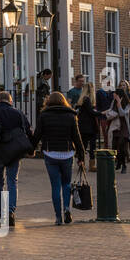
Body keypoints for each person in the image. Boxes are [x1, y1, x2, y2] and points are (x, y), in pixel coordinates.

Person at [0, 90, 35, 228]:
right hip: (14, 152)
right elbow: (28, 131)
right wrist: (31, 150)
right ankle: (10, 212)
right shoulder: (18, 113)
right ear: (10, 101)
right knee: (12, 182)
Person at [34, 92, 86, 225]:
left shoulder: (44, 115)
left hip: (50, 153)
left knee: (55, 185)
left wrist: (30, 149)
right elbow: (77, 137)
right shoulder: (71, 115)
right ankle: (67, 209)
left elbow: (37, 135)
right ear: (64, 102)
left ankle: (58, 217)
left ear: (48, 101)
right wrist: (81, 156)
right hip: (67, 154)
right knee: (66, 184)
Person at [105, 85, 130, 174]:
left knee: (122, 146)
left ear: (119, 95)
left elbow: (122, 114)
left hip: (124, 127)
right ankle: (118, 163)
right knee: (115, 146)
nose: (114, 95)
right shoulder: (113, 102)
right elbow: (110, 110)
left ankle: (124, 165)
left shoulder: (128, 104)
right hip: (116, 127)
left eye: (115, 94)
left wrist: (119, 104)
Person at [76, 84, 100, 164]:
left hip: (83, 126)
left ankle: (81, 162)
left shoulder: (82, 99)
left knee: (84, 145)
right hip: (89, 126)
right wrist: (102, 113)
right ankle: (90, 163)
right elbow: (91, 112)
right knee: (91, 146)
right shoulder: (87, 99)